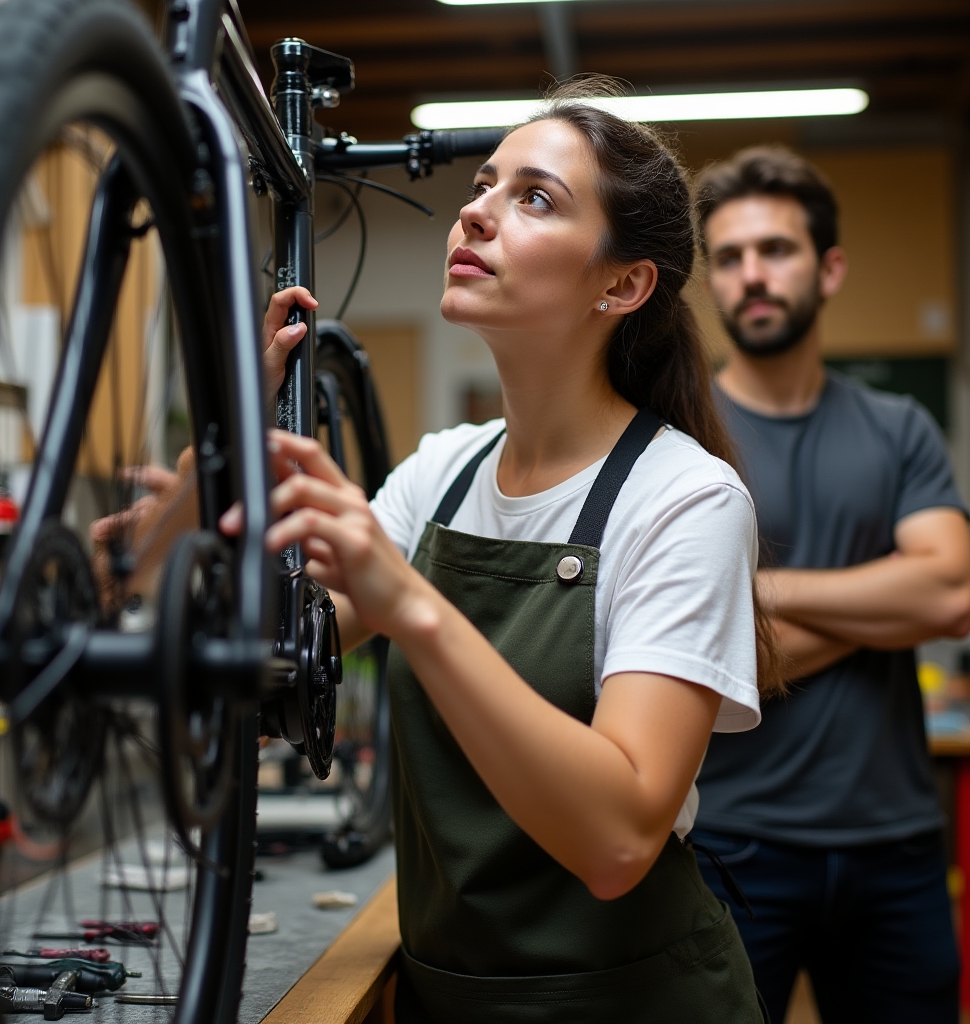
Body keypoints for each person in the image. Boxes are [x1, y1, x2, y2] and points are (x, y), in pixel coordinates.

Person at [222, 79, 782, 1023]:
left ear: (623, 284)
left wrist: (414, 608)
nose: (474, 212)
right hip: (449, 995)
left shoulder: (685, 499)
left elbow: (618, 840)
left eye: (534, 197)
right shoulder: (444, 471)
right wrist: (232, 432)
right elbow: (281, 656)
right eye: (483, 184)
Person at [690, 145, 970, 1024]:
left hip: (895, 843)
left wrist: (760, 594)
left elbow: (950, 594)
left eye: (775, 250)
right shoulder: (681, 436)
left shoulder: (899, 428)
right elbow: (671, 642)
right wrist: (884, 604)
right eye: (729, 258)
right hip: (730, 842)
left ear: (830, 266)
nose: (751, 276)